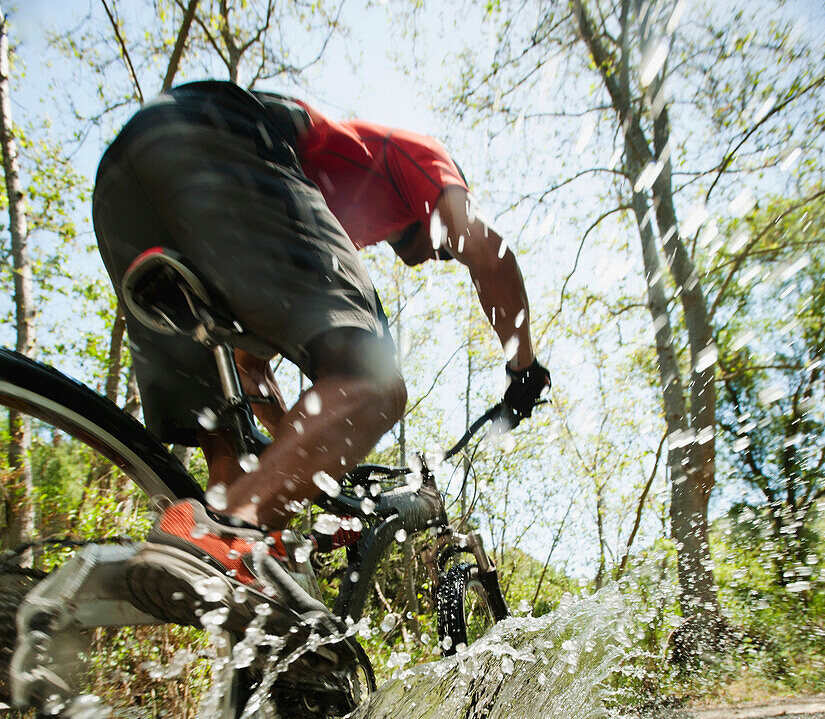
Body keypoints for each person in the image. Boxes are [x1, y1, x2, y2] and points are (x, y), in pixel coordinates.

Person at [93, 80, 549, 626]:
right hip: (216, 137)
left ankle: (226, 563)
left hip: (124, 180)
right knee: (374, 385)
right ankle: (232, 532)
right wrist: (523, 367)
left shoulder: (313, 222)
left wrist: (300, 457)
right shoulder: (415, 155)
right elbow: (487, 253)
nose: (441, 256)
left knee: (223, 441)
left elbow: (249, 368)